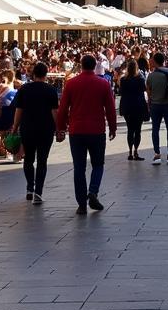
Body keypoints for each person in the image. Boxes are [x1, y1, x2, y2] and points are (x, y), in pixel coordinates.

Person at [56, 54, 117, 214]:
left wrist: (60, 128)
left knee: (79, 167)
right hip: (97, 130)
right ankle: (93, 191)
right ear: (95, 66)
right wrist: (112, 127)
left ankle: (81, 203)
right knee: (98, 164)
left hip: (77, 130)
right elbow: (110, 108)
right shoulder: (103, 84)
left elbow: (62, 109)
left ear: (81, 65)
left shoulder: (71, 84)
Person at [10, 62, 59, 205]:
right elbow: (54, 112)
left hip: (28, 128)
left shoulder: (24, 89)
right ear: (46, 74)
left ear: (33, 74)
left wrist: (14, 128)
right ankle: (39, 192)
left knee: (28, 159)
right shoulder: (50, 90)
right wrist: (59, 128)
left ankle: (30, 188)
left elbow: (19, 111)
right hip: (45, 129)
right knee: (42, 161)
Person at [145, 52, 168, 164]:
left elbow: (148, 92)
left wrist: (149, 104)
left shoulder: (151, 75)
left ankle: (157, 153)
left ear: (154, 61)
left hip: (155, 105)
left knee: (155, 128)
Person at [118, 58, 149, 161]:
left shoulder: (123, 80)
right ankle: (136, 151)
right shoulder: (140, 79)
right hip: (138, 105)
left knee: (130, 129)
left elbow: (121, 92)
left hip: (127, 106)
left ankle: (130, 151)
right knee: (138, 130)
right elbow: (144, 89)